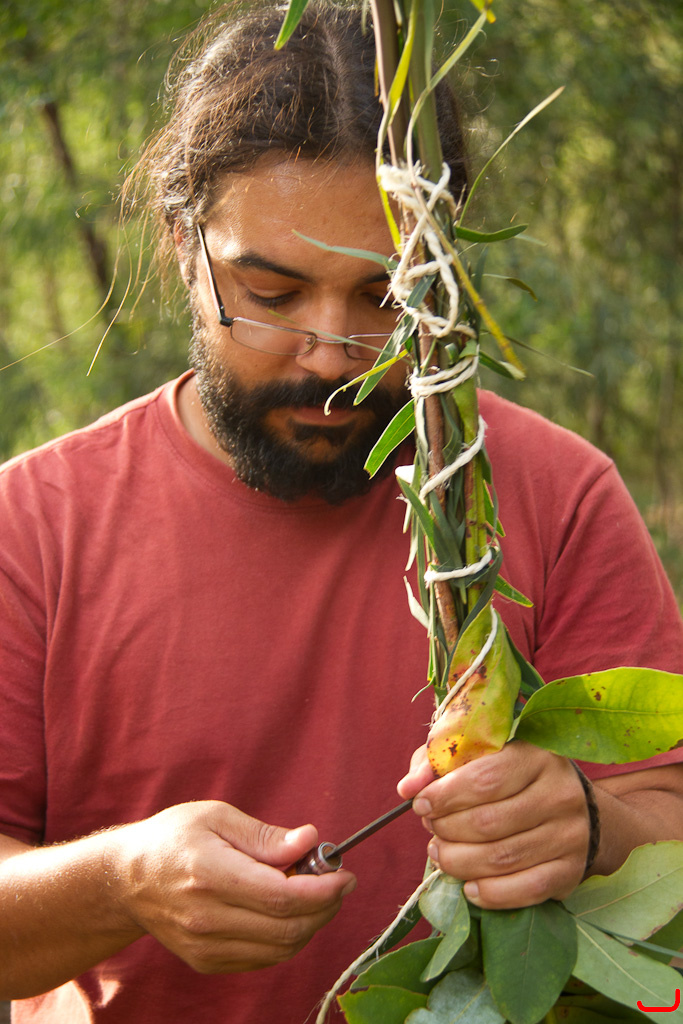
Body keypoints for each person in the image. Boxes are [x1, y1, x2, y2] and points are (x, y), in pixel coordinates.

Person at [0, 3, 681, 1022]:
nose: (330, 354)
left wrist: (589, 830)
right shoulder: (33, 524)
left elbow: (663, 819)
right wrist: (120, 881)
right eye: (271, 294)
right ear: (184, 245)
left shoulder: (554, 493)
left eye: (383, 297)